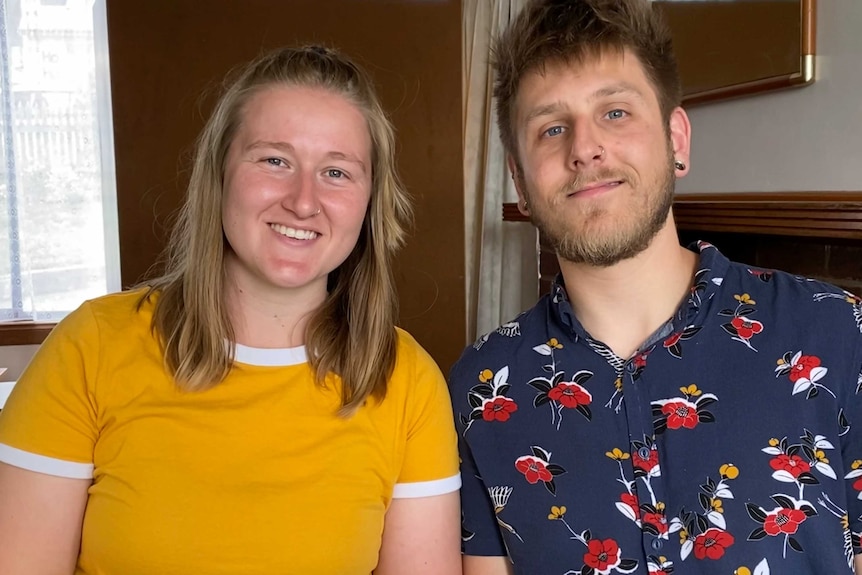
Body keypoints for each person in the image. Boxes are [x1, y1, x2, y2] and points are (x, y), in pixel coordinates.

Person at [0, 45, 461, 575]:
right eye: (274, 160)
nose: (303, 201)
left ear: (370, 202)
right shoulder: (92, 346)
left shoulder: (406, 381)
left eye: (337, 172)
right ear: (217, 175)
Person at [449, 1, 862, 574]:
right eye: (551, 128)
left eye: (615, 112)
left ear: (676, 141)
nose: (585, 148)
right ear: (519, 180)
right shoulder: (479, 390)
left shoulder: (836, 332)